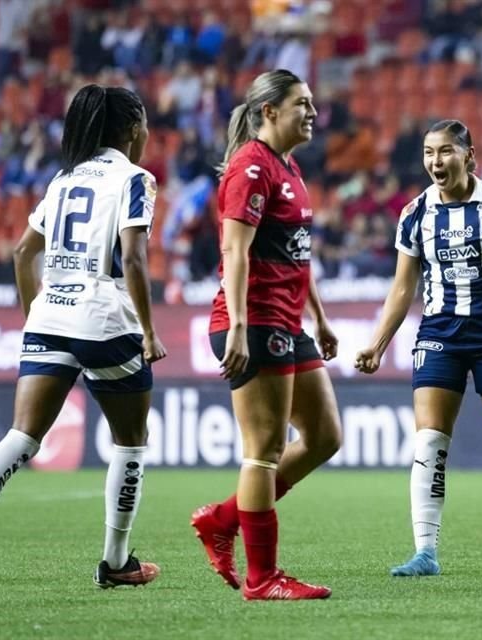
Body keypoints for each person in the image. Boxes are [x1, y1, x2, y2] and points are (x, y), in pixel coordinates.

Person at [0, 85, 167, 594]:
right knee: (130, 441)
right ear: (131, 129)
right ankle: (115, 561)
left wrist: (34, 316)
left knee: (21, 436)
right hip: (104, 318)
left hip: (49, 317)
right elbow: (135, 259)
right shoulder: (135, 179)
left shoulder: (64, 178)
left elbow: (20, 253)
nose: (147, 135)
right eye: (144, 125)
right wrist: (148, 331)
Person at [356, 119, 482, 576]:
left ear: (468, 155)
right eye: (429, 153)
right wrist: (376, 343)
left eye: (445, 151)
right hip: (439, 333)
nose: (436, 162)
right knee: (428, 441)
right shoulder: (415, 213)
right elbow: (402, 287)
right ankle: (425, 551)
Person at [189, 69, 341, 601]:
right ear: (269, 111)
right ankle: (263, 578)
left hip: (289, 322)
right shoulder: (251, 166)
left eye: (313, 102)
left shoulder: (289, 167)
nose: (313, 112)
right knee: (265, 449)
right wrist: (237, 325)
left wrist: (318, 317)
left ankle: (224, 519)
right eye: (302, 103)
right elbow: (234, 251)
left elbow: (296, 255)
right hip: (254, 322)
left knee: (325, 437)